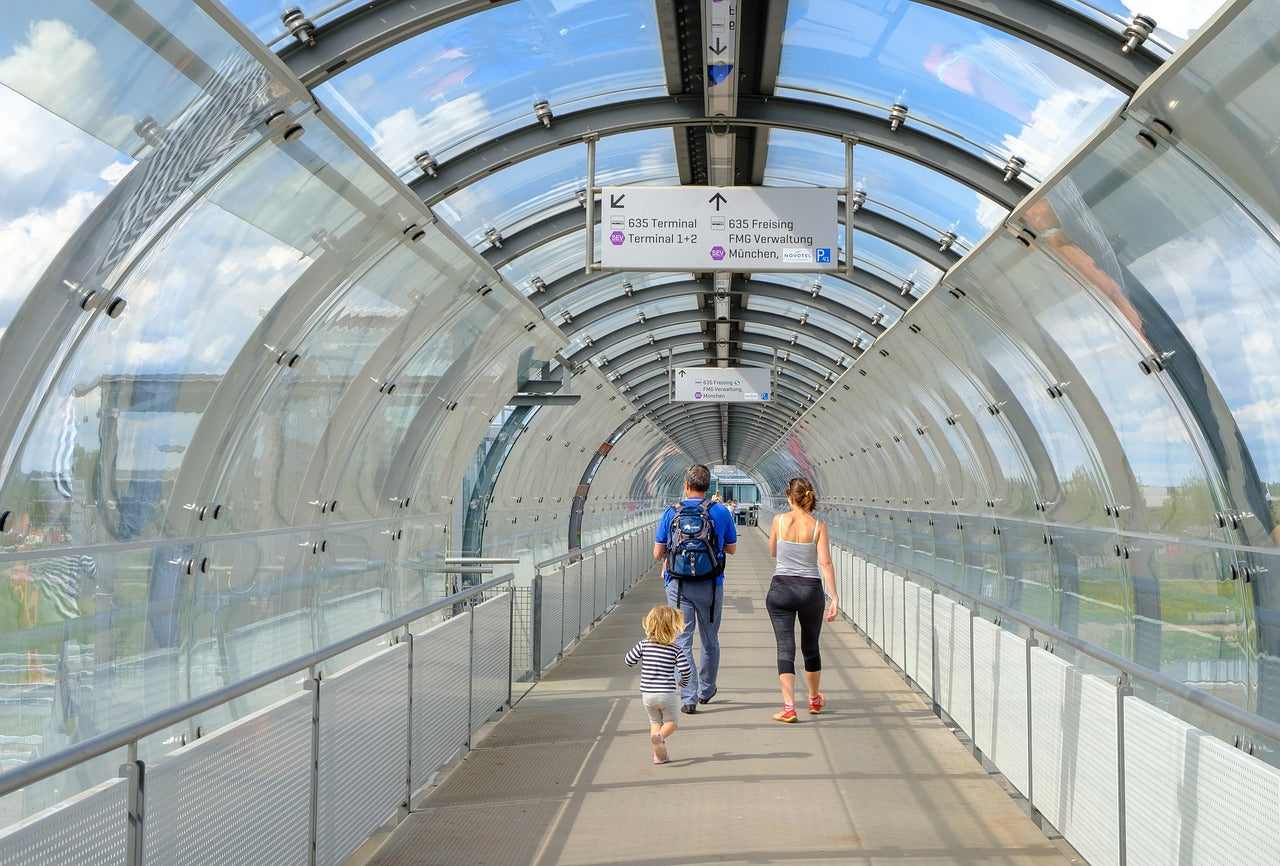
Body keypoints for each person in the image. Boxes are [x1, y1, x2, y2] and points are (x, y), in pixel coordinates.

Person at [653, 464, 737, 714]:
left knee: (682, 641)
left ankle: (688, 696)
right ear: (707, 486)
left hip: (678, 586)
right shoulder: (720, 511)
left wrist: (671, 556)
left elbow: (658, 551)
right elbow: (731, 548)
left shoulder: (672, 512)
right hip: (711, 585)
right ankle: (707, 690)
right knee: (710, 639)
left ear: (686, 485)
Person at [766, 477, 838, 723]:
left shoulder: (779, 520)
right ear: (808, 498)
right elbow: (825, 562)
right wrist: (835, 597)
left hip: (781, 590)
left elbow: (773, 551)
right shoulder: (819, 526)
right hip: (810, 591)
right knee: (811, 646)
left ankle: (789, 707)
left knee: (785, 647)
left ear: (790, 498)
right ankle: (814, 699)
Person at [624, 604, 691, 764]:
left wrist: (637, 662)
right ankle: (660, 737)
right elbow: (686, 669)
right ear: (672, 627)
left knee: (655, 722)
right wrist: (683, 682)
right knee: (671, 722)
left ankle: (659, 755)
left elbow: (628, 660)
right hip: (666, 693)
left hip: (648, 694)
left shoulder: (643, 645)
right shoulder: (675, 649)